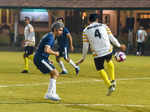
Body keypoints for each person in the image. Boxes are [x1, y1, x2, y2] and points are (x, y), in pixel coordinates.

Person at [76, 14, 126, 96]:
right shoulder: (104, 26)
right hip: (108, 49)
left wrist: (83, 57)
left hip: (97, 53)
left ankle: (109, 85)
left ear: (89, 21)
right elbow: (111, 37)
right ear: (97, 20)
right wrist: (119, 45)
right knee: (109, 61)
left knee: (100, 68)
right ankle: (113, 80)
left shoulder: (85, 30)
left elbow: (85, 46)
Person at [34, 22, 64, 101]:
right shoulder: (51, 37)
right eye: (60, 30)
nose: (61, 32)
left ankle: (51, 93)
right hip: (40, 59)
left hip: (41, 58)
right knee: (55, 73)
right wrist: (55, 53)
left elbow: (40, 48)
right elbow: (46, 50)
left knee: (53, 74)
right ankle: (50, 94)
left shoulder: (49, 35)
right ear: (55, 30)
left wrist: (48, 59)